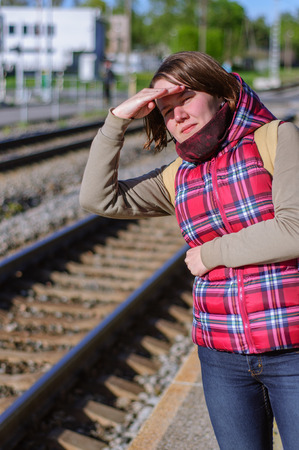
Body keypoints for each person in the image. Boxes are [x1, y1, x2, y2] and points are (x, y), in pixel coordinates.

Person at [80, 51, 299, 450]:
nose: (177, 115)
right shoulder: (177, 176)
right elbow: (99, 199)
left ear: (220, 93)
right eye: (165, 110)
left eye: (185, 99)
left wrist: (210, 253)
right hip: (221, 358)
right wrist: (117, 120)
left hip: (292, 350)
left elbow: (293, 230)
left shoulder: (277, 138)